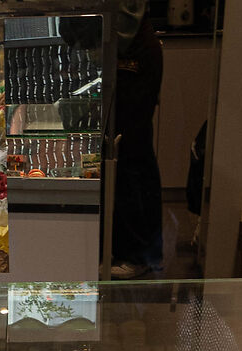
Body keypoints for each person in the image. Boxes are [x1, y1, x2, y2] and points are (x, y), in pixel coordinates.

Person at [109, 3, 166, 279]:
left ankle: (139, 254)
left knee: (131, 152)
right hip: (128, 51)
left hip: (134, 54)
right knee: (130, 152)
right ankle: (138, 250)